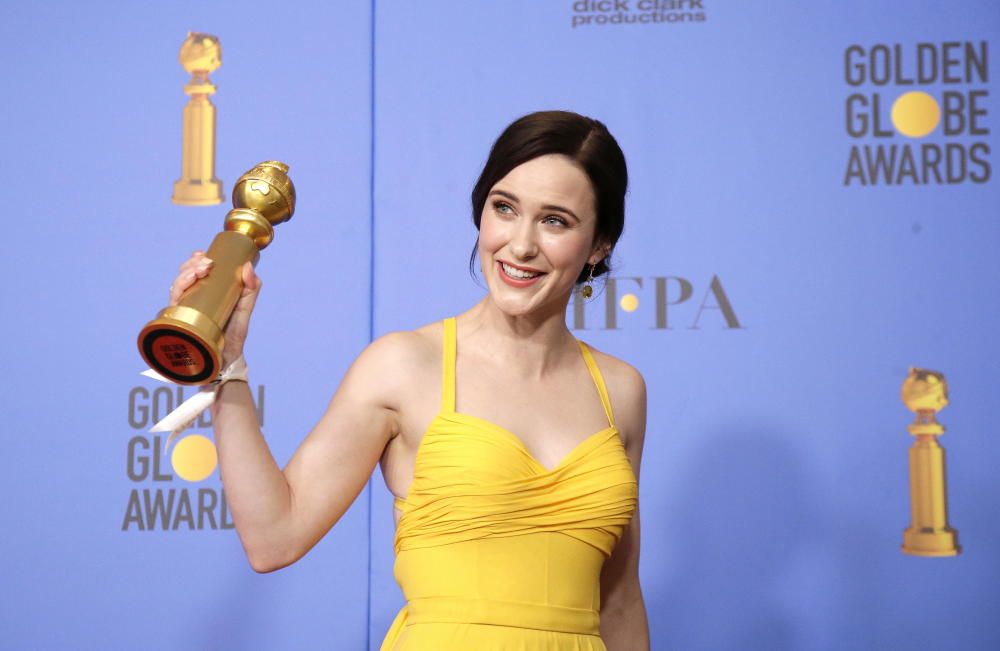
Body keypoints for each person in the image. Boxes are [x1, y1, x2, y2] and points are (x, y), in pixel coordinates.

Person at [168, 110, 649, 650]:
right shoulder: (403, 364)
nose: (520, 245)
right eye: (504, 209)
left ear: (600, 242)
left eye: (555, 221)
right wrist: (225, 365)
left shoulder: (621, 391)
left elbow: (620, 598)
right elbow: (273, 539)